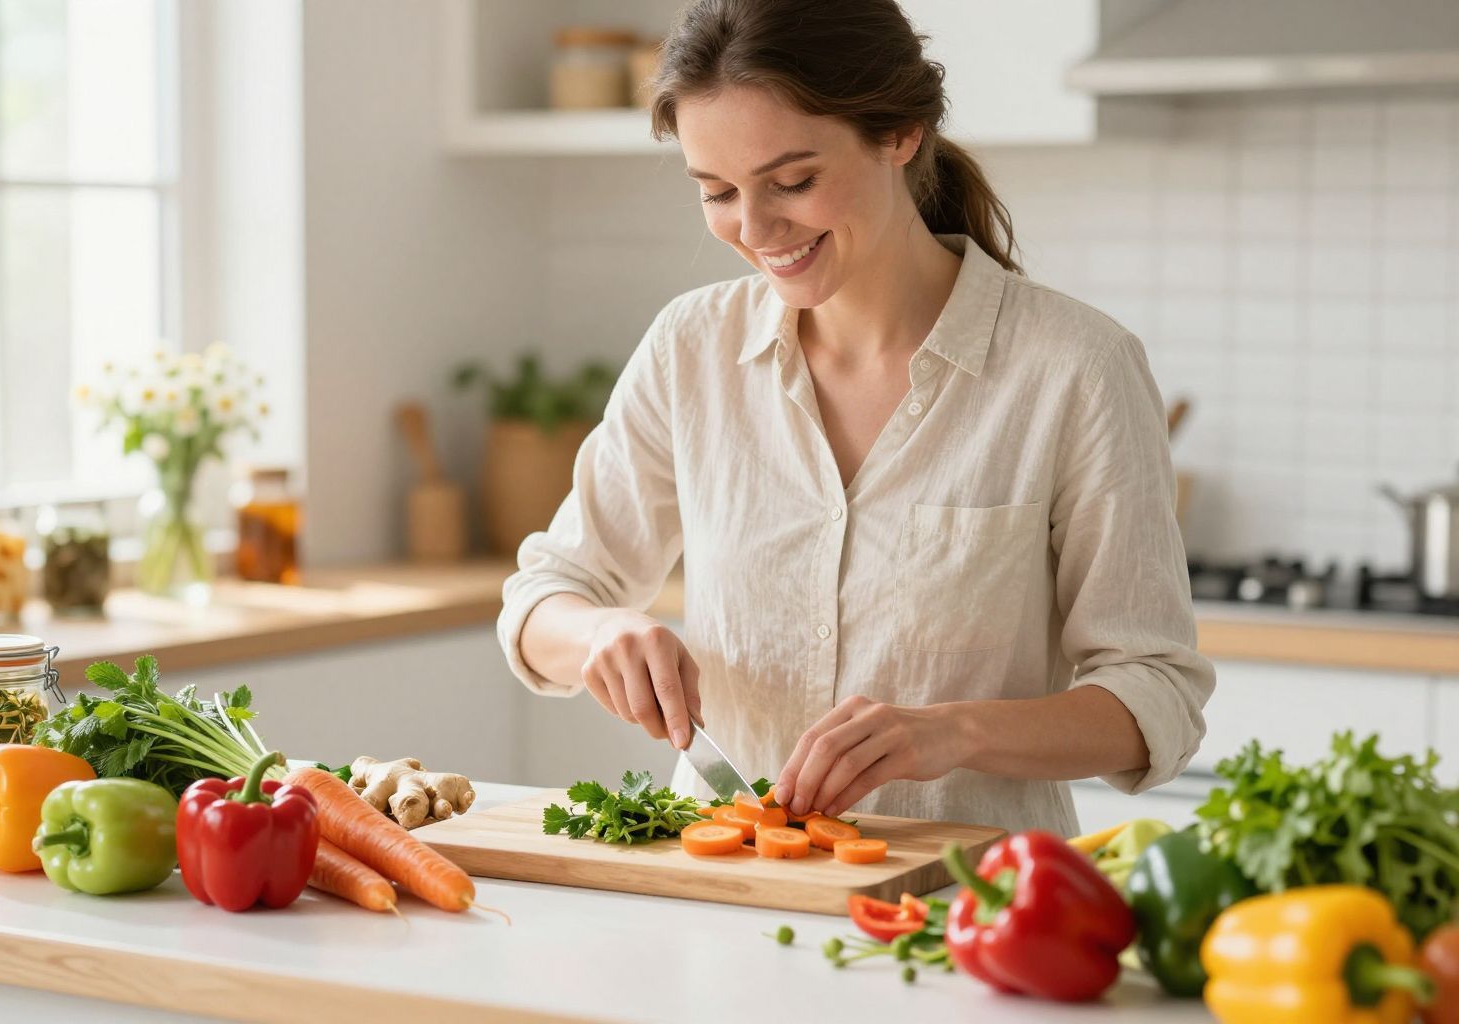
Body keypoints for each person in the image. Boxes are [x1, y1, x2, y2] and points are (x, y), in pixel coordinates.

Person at [496, 0, 1213, 835]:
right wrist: (601, 636)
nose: (756, 229)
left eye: (793, 182)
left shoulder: (1074, 368)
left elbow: (1155, 693)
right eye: (718, 192)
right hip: (725, 896)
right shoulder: (691, 349)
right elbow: (545, 595)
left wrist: (954, 730)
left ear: (900, 131)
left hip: (966, 916)